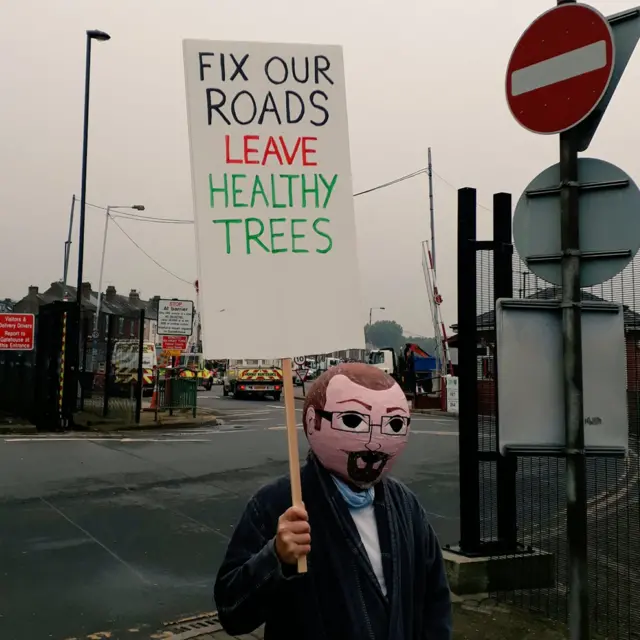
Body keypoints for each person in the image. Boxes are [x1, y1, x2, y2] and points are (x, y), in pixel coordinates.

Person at [214, 362, 452, 639]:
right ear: (313, 420)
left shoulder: (406, 507)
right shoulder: (278, 503)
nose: (375, 442)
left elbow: (435, 600)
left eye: (394, 424)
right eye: (353, 420)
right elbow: (232, 612)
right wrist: (275, 557)